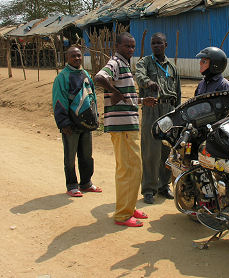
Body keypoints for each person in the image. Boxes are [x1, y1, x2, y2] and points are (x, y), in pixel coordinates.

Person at [94, 32, 157, 227]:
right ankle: (122, 214)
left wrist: (141, 101)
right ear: (117, 46)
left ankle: (129, 207)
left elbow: (124, 96)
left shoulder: (124, 65)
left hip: (128, 124)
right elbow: (99, 77)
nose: (130, 50)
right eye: (127, 46)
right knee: (128, 170)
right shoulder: (115, 63)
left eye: (133, 46)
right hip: (122, 127)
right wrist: (113, 92)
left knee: (133, 169)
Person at [135, 32, 181, 204]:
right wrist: (148, 83)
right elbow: (139, 76)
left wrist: (178, 114)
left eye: (159, 43)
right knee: (150, 151)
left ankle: (163, 186)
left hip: (169, 111)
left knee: (167, 151)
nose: (156, 46)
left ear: (165, 45)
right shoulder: (145, 62)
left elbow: (178, 92)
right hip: (152, 108)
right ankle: (148, 189)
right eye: (153, 43)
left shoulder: (172, 67)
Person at [52, 46, 102, 197]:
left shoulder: (85, 74)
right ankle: (72, 185)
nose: (77, 58)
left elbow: (92, 97)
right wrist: (64, 123)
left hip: (86, 123)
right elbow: (58, 101)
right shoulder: (62, 77)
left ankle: (86, 182)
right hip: (70, 125)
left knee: (87, 155)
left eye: (79, 55)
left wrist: (95, 117)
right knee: (70, 157)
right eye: (73, 56)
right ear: (67, 58)